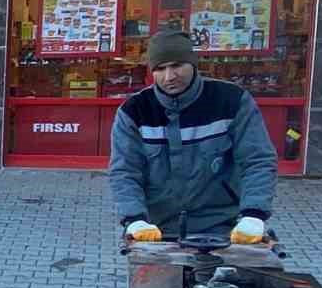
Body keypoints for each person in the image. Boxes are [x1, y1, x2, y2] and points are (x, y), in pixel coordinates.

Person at [108, 29, 277, 244]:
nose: (169, 77)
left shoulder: (231, 101)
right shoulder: (134, 111)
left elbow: (257, 160)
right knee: (154, 279)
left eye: (177, 65)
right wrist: (134, 219)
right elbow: (125, 171)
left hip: (222, 228)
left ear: (193, 64)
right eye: (160, 69)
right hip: (154, 231)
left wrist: (254, 215)